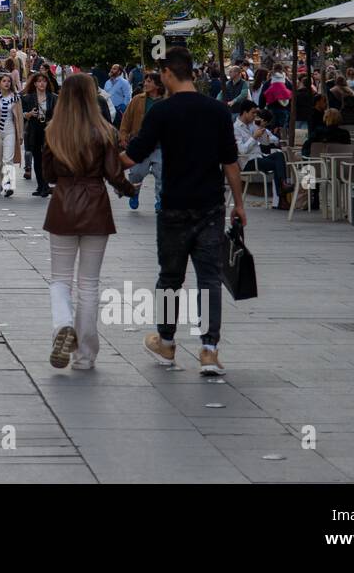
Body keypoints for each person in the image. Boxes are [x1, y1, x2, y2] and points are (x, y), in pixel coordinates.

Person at [122, 46, 245, 377]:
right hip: (211, 207)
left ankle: (166, 342)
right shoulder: (218, 110)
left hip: (174, 205)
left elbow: (133, 157)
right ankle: (209, 351)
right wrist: (240, 205)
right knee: (209, 280)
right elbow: (230, 162)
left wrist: (100, 155)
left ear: (167, 73)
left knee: (170, 278)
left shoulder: (162, 112)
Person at [42, 74, 137, 369]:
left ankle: (62, 326)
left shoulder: (53, 131)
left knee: (60, 279)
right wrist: (129, 189)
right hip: (95, 206)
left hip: (63, 206)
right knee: (89, 284)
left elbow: (48, 175)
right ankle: (85, 356)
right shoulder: (104, 130)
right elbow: (113, 172)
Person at [119, 71, 165, 212]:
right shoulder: (137, 99)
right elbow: (126, 119)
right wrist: (123, 135)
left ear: (157, 85)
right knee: (137, 173)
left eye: (149, 81)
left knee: (161, 174)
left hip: (160, 146)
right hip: (140, 145)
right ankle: (134, 193)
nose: (145, 83)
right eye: (145, 81)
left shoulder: (166, 101)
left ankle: (160, 201)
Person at [233, 99, 291, 206]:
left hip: (259, 157)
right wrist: (254, 137)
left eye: (256, 113)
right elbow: (242, 150)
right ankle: (282, 196)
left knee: (279, 155)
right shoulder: (236, 128)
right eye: (253, 113)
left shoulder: (252, 125)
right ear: (245, 113)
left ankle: (282, 186)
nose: (255, 116)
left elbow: (265, 143)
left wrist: (262, 130)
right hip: (248, 161)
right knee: (277, 165)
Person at [21, 71, 58, 196]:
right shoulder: (28, 97)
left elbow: (58, 114)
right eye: (39, 81)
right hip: (34, 128)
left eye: (44, 81)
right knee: (37, 157)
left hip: (49, 129)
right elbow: (22, 114)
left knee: (47, 157)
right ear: (35, 84)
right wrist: (29, 114)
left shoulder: (53, 97)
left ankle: (45, 185)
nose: (42, 83)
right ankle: (40, 185)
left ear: (47, 83)